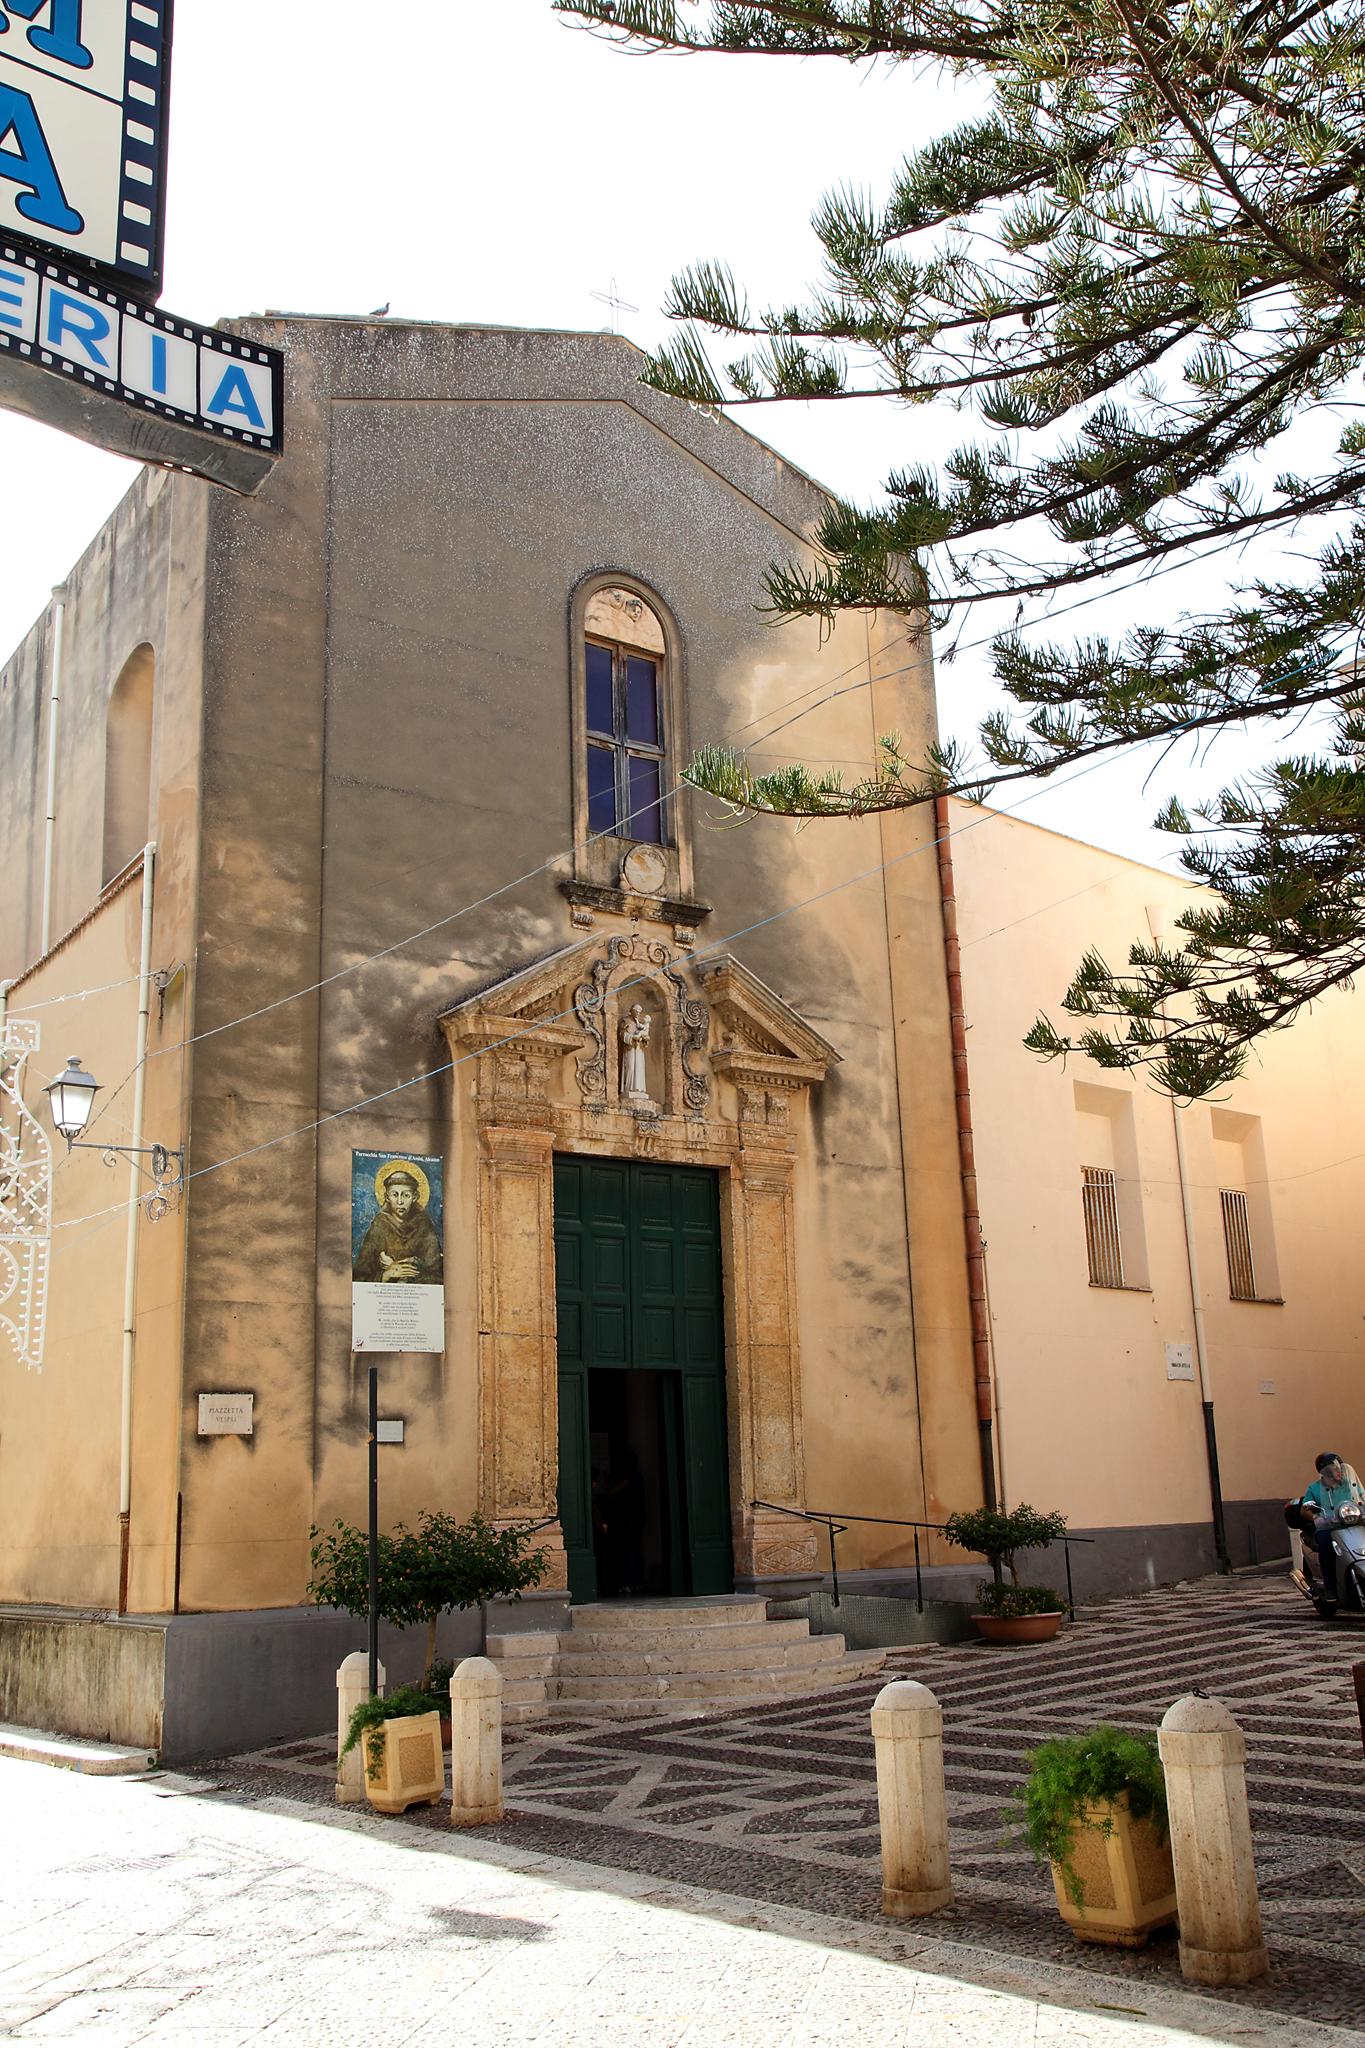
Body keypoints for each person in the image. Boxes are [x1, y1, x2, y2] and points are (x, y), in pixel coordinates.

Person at [352, 1168, 443, 1284]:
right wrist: (387, 1274)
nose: (400, 1201)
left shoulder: (424, 1225)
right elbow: (359, 1277)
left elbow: (437, 1276)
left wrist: (412, 1269)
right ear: (387, 1197)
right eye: (395, 1195)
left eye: (406, 1195)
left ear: (415, 1197)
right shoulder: (379, 1226)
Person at [1297, 1452, 1365, 1603]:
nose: (1339, 1471)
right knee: (1325, 1543)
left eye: (1340, 1468)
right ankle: (1330, 1588)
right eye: (1334, 1469)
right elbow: (1305, 1508)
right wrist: (1314, 1516)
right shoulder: (1314, 1488)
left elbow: (1361, 1497)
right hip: (1330, 1526)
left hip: (1354, 1523)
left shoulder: (1349, 1484)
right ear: (1325, 1472)